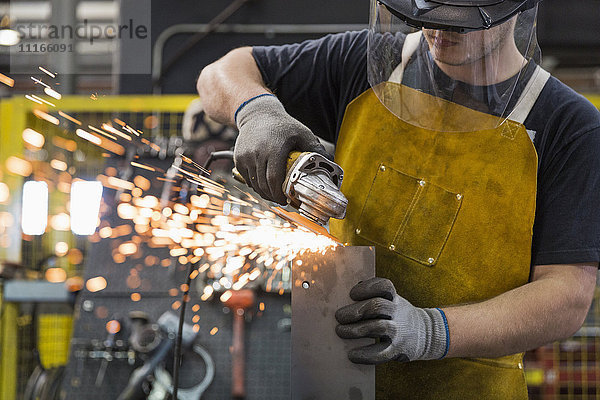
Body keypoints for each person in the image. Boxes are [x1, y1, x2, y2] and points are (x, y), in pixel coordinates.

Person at [197, 0, 600, 398]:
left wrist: (429, 332)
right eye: (426, 16)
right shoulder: (363, 63)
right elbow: (221, 73)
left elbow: (565, 298)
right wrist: (256, 111)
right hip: (334, 378)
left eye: (457, 23)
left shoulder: (569, 126)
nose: (438, 32)